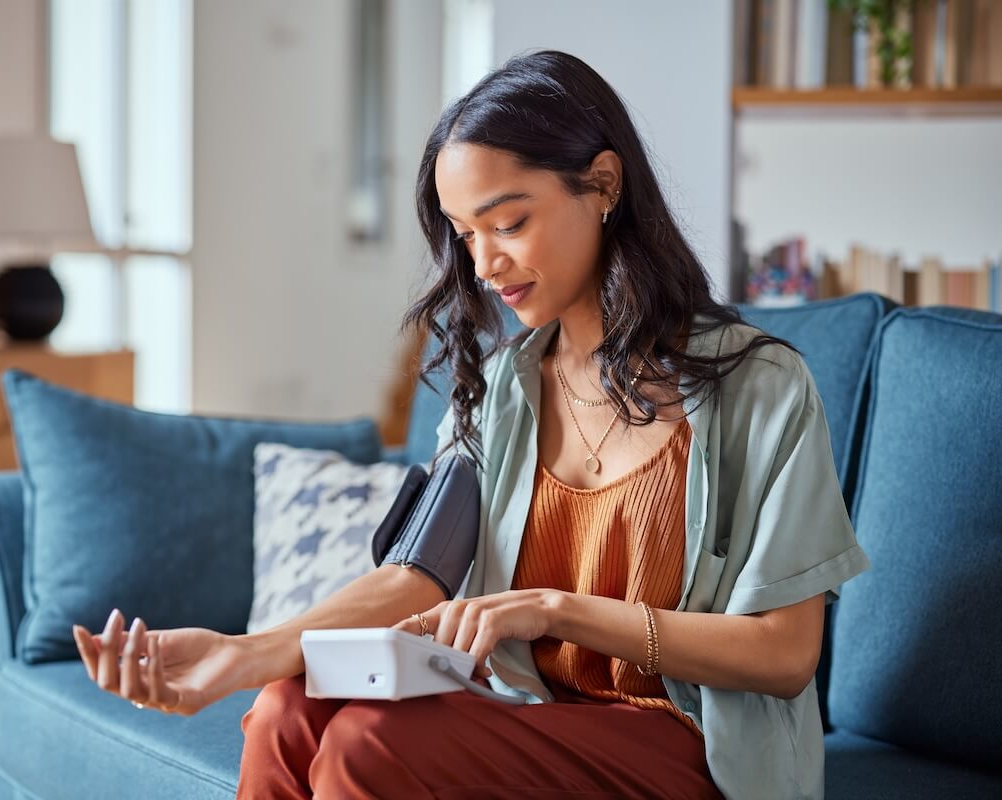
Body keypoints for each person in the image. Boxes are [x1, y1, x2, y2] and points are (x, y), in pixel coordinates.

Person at [71, 49, 870, 799]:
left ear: (602, 184)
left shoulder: (761, 386)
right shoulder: (504, 386)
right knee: (287, 708)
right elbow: (417, 576)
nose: (483, 264)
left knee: (367, 744)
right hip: (532, 714)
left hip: (690, 741)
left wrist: (552, 609)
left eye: (508, 222)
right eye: (464, 234)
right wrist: (241, 657)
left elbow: (785, 654)